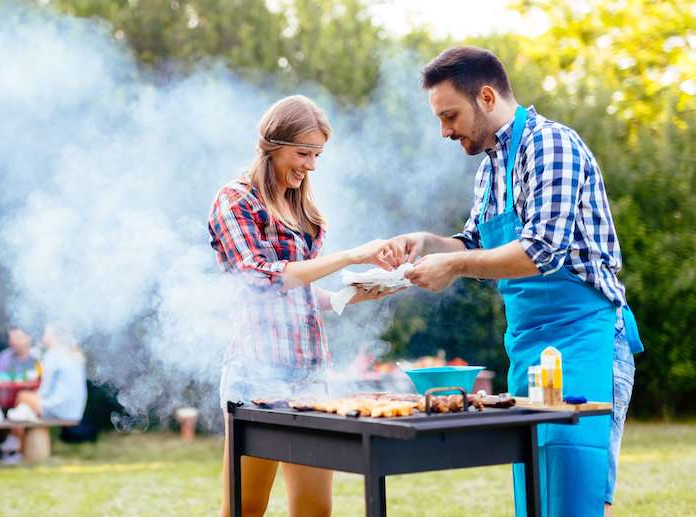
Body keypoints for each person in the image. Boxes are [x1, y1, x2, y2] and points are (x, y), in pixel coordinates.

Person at [388, 47, 643, 517]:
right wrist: (425, 243)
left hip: (584, 341)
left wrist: (456, 268)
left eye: (449, 115)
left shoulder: (551, 146)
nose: (444, 130)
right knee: (535, 496)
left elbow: (541, 250)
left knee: (573, 500)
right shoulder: (490, 168)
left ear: (486, 97)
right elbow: (470, 242)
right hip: (528, 351)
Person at [208, 95, 402, 517]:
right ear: (272, 145)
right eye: (303, 153)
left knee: (316, 511)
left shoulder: (303, 211)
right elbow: (260, 276)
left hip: (310, 377)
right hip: (257, 379)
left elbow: (296, 290)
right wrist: (351, 256)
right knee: (245, 510)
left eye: (316, 155)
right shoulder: (236, 200)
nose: (311, 165)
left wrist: (344, 296)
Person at [0, 325, 87, 465]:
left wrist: (34, 396)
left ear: (55, 337)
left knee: (22, 396)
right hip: (74, 409)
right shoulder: (71, 353)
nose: (43, 336)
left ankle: (15, 444)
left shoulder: (53, 355)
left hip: (59, 407)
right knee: (25, 407)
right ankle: (16, 444)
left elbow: (44, 389)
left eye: (46, 333)